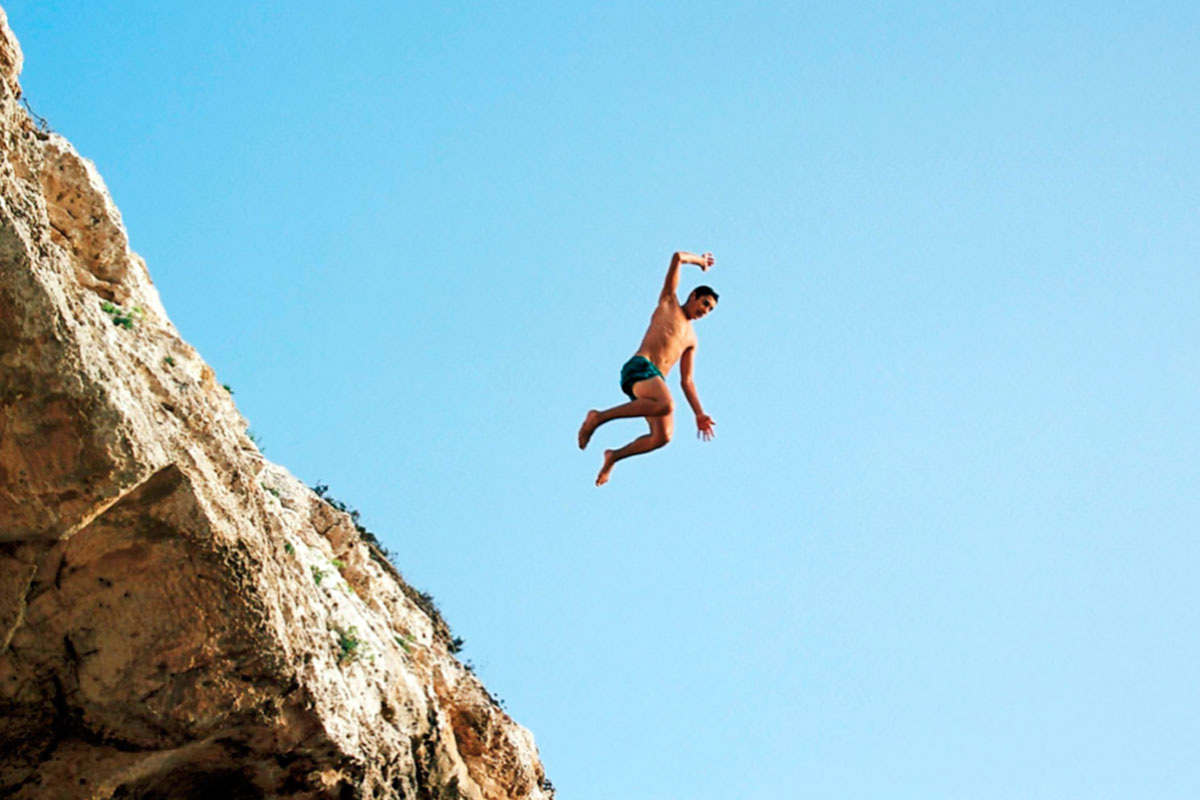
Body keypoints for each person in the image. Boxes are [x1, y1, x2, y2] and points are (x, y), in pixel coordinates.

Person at [577, 250, 719, 486]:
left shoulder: (692, 339)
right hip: (640, 367)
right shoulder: (669, 303)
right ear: (693, 296)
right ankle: (598, 417)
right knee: (666, 405)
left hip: (654, 382)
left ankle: (613, 456)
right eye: (704, 303)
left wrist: (699, 413)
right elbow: (677, 257)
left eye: (710, 309)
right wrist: (701, 262)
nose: (705, 310)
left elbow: (687, 381)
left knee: (663, 437)